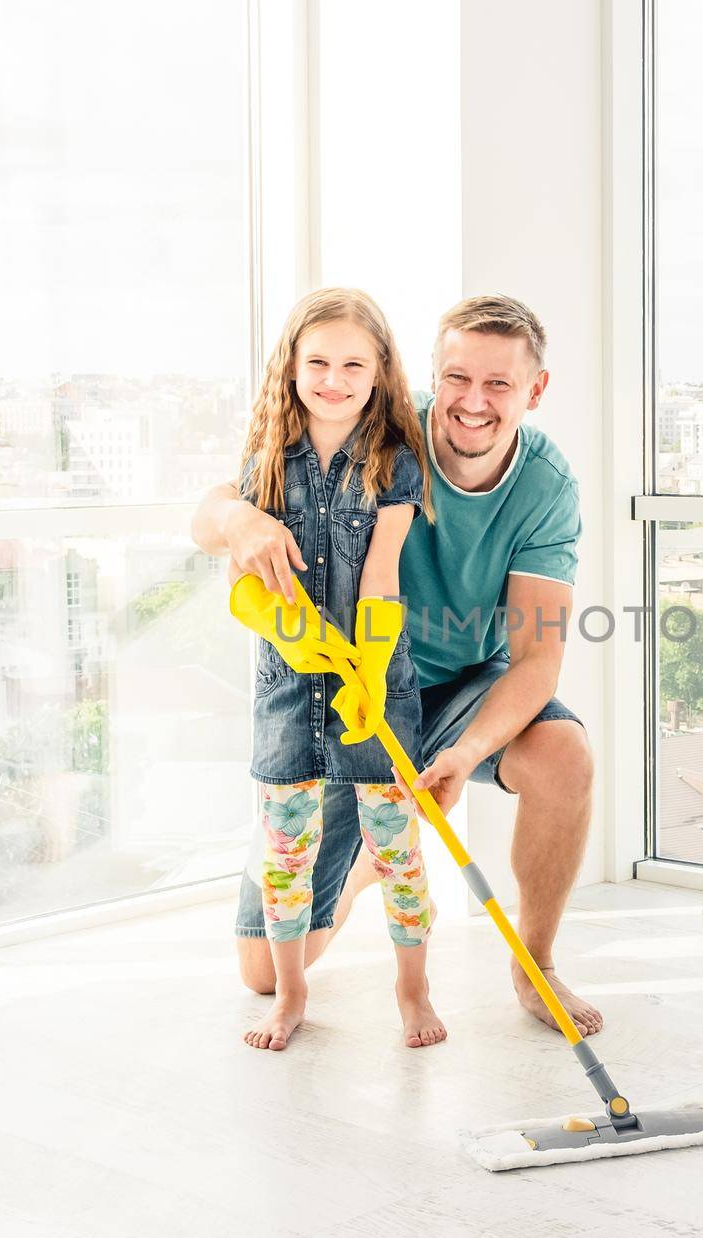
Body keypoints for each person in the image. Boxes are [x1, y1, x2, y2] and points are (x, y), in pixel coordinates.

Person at [194, 294, 602, 1037]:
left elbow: (539, 657)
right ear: (429, 376)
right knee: (260, 974)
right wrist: (239, 520)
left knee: (564, 754)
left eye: (499, 385)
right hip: (350, 694)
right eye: (457, 378)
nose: (472, 403)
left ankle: (534, 963)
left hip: (456, 691)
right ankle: (365, 863)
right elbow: (225, 500)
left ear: (534, 391)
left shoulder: (547, 488)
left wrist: (467, 752)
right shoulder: (381, 423)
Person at [230, 287, 444, 1052]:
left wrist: (370, 665)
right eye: (317, 361)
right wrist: (298, 639)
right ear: (290, 367)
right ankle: (290, 996)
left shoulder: (395, 461)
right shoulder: (262, 464)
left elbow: (383, 571)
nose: (334, 377)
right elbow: (244, 584)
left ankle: (411, 988)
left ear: (380, 368)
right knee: (285, 854)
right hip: (287, 693)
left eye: (354, 363)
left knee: (397, 849)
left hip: (375, 690)